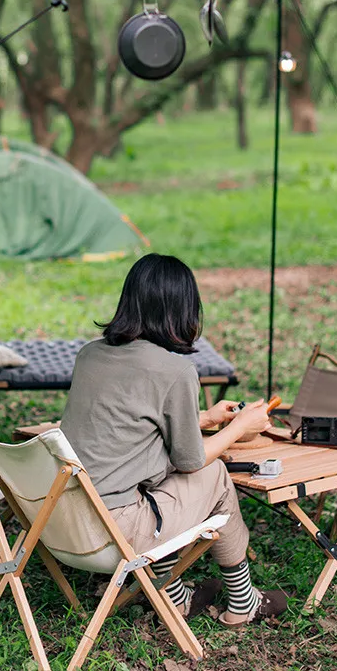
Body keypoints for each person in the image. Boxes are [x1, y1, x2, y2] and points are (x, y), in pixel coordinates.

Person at [61, 253, 287, 626]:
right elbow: (191, 460)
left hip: (61, 518)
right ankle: (242, 603)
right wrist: (239, 428)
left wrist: (206, 418)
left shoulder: (90, 355)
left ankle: (177, 596)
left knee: (161, 477)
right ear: (183, 310)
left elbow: (128, 422)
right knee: (213, 475)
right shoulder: (175, 369)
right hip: (113, 530)